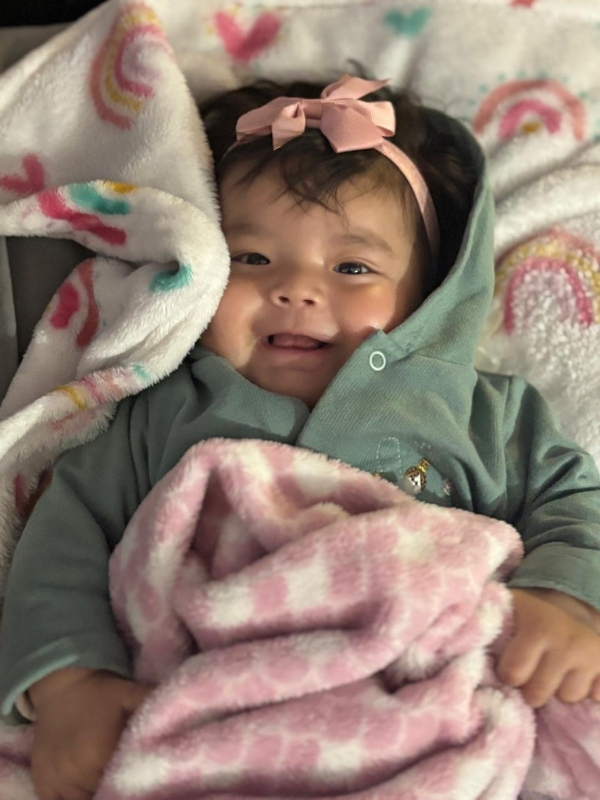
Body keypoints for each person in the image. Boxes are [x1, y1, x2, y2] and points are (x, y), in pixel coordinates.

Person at [1, 73, 600, 800]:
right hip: (212, 710)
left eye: (352, 267)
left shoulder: (483, 411)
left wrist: (567, 599)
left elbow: (574, 499)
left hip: (436, 703)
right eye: (252, 259)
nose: (297, 288)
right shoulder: (161, 409)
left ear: (431, 294)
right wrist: (72, 684)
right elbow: (66, 535)